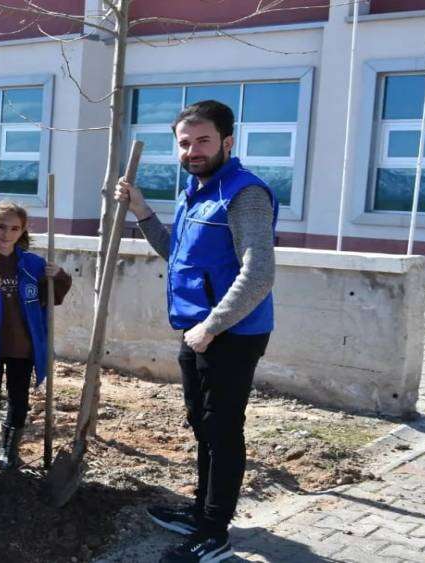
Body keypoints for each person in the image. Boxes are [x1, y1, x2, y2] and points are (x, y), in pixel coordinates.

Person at [114, 100, 276, 563]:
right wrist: (143, 211)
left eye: (203, 140)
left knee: (223, 429)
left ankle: (215, 532)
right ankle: (203, 512)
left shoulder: (244, 194)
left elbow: (259, 273)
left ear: (227, 141)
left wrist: (212, 325)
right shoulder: (195, 191)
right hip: (196, 329)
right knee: (202, 425)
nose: (192, 150)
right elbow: (177, 254)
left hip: (231, 332)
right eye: (185, 143)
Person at [0, 201, 71, 474]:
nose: (6, 234)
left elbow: (53, 295)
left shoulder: (32, 264)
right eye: (1, 226)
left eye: (14, 228)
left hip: (23, 344)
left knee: (19, 399)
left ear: (22, 231)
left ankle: (8, 453)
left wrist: (59, 275)